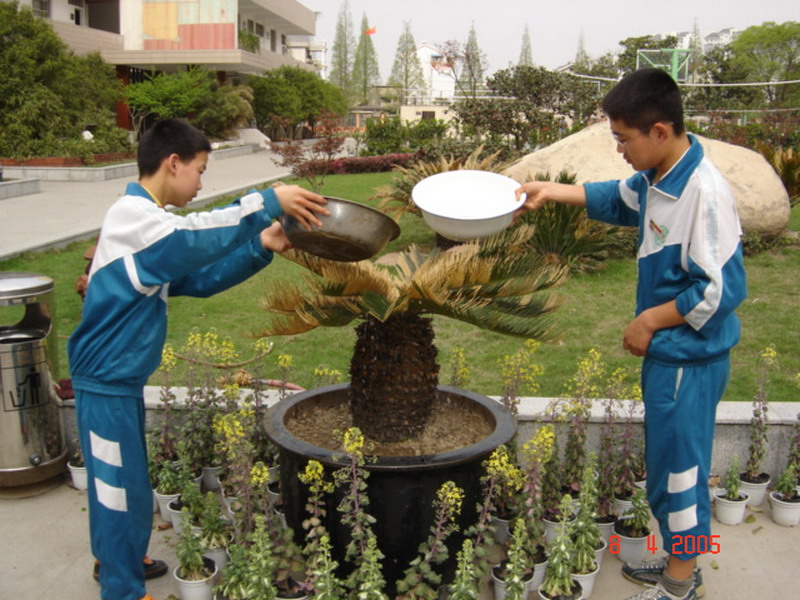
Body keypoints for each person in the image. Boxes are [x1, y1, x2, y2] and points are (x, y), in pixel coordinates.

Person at [67, 118, 329, 600]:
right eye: (201, 170)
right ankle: (121, 589)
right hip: (104, 381)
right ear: (173, 163)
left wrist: (261, 245)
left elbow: (199, 278)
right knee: (116, 489)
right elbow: (193, 237)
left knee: (125, 481)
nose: (202, 184)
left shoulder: (145, 222)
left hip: (117, 380)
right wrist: (266, 203)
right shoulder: (136, 218)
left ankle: (119, 558)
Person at [515, 69, 747, 600]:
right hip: (672, 358)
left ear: (659, 131)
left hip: (689, 361)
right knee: (667, 466)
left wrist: (649, 320)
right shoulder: (660, 177)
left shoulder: (703, 193)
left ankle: (681, 583)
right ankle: (679, 564)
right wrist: (551, 190)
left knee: (680, 473)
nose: (619, 150)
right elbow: (620, 199)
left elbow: (720, 290)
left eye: (623, 139)